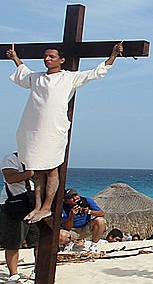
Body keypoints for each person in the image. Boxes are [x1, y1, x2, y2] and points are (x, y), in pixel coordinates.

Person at [6, 42, 122, 223]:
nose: (47, 59)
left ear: (62, 60)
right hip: (32, 127)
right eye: (45, 56)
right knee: (37, 170)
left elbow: (95, 73)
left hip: (53, 128)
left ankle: (47, 207)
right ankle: (38, 206)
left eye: (51, 56)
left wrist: (113, 55)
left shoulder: (69, 77)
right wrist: (14, 57)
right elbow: (23, 71)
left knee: (52, 168)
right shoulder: (36, 77)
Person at [1, 151, 38, 283]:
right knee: (13, 240)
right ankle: (13, 273)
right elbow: (10, 178)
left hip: (33, 203)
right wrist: (30, 173)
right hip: (14, 203)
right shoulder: (11, 158)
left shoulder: (39, 158)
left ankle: (38, 269)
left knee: (38, 239)